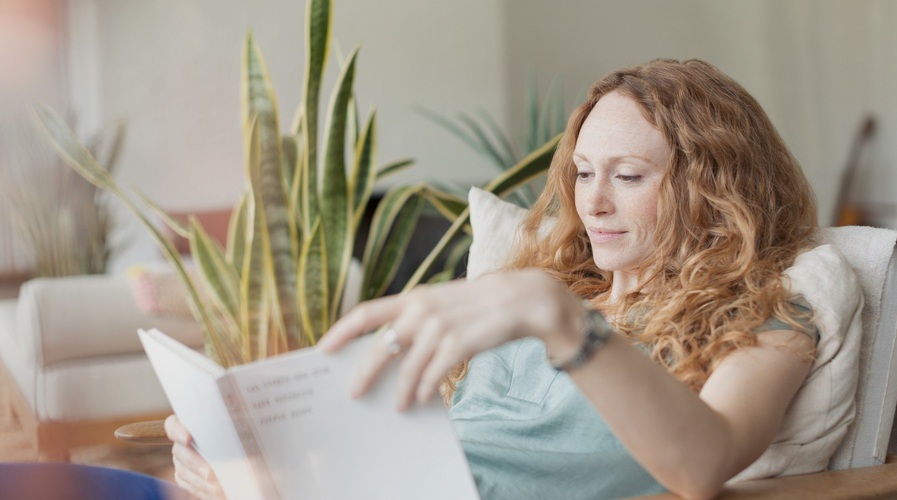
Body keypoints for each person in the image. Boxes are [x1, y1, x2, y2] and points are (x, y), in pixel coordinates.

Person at [166, 59, 856, 499]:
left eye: (630, 176)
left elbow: (706, 462)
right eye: (584, 173)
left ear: (714, 188)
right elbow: (433, 433)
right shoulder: (550, 286)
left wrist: (564, 323)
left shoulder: (764, 312)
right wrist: (255, 461)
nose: (593, 203)